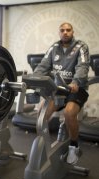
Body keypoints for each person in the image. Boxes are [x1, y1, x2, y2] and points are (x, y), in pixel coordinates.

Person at [33, 22, 90, 165]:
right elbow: (43, 66)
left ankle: (74, 146)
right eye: (62, 30)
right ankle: (45, 148)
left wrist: (76, 81)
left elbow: (82, 66)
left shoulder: (81, 46)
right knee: (41, 114)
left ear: (72, 31)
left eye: (68, 30)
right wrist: (34, 79)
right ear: (59, 33)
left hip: (76, 88)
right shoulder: (54, 47)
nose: (65, 32)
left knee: (69, 113)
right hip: (59, 89)